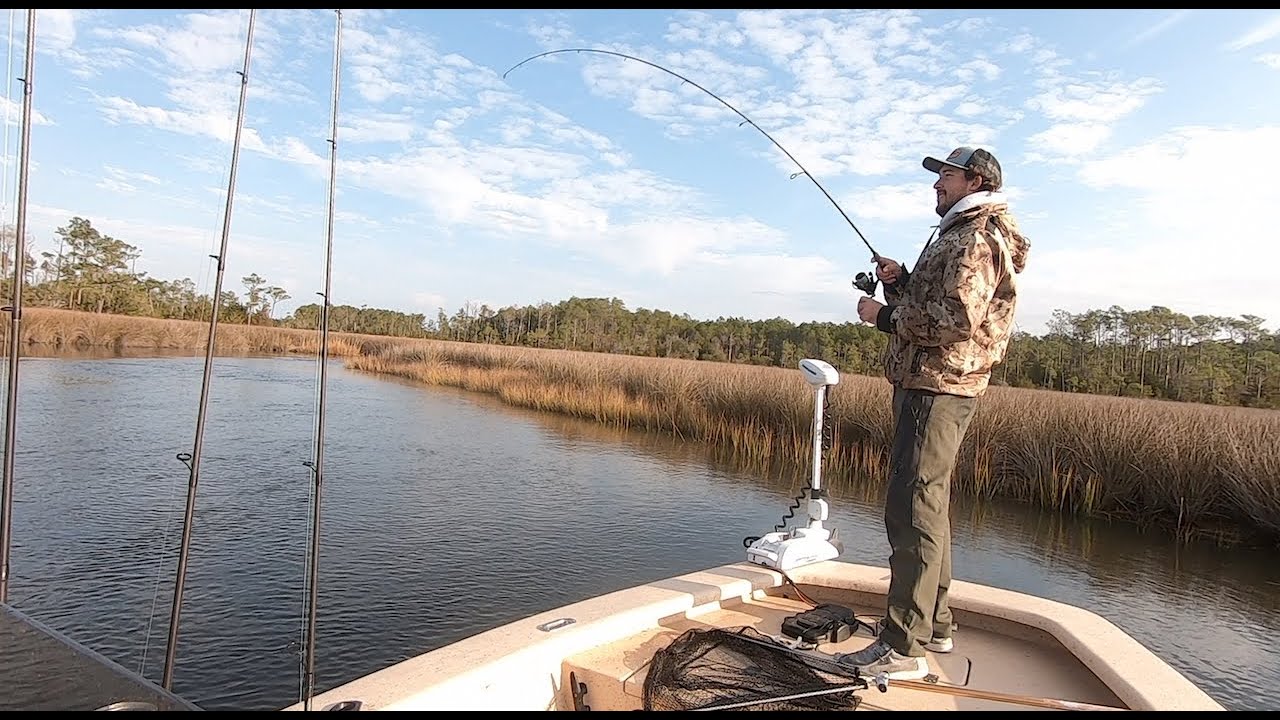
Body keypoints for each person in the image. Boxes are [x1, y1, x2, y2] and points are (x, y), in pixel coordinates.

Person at [837, 146, 1031, 680]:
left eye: (946, 174)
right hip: (936, 383)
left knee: (912, 508)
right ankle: (935, 624)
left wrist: (884, 316)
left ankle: (903, 645)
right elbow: (943, 301)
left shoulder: (974, 236)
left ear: (975, 181)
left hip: (936, 387)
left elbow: (956, 321)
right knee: (929, 504)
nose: (936, 184)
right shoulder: (961, 232)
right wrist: (900, 281)